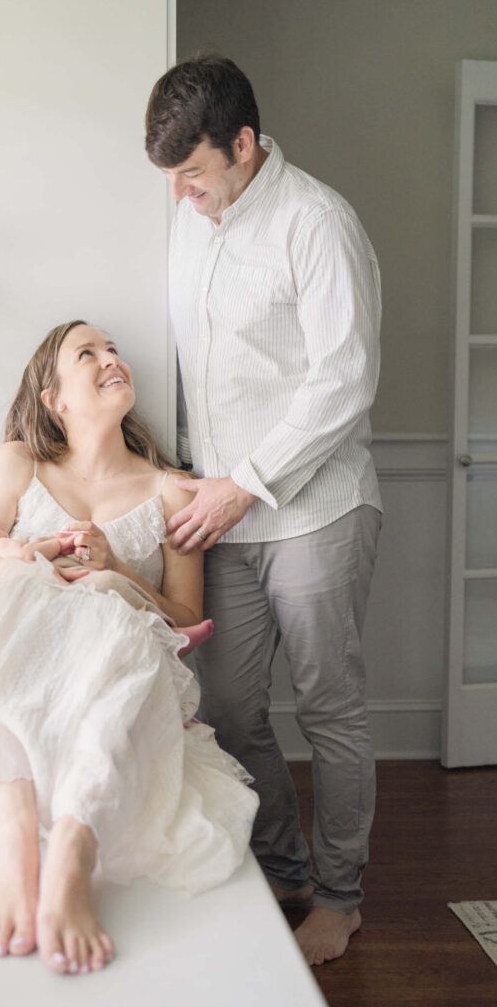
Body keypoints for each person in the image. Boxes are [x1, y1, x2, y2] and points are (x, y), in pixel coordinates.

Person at [0, 320, 258, 977]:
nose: (110, 358)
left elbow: (185, 620)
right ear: (52, 396)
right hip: (20, 657)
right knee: (3, 625)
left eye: (113, 349)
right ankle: (13, 838)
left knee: (112, 631)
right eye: (86, 353)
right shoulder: (16, 465)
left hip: (114, 661)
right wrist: (34, 565)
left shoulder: (170, 491)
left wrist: (113, 567)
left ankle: (72, 846)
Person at [145, 55, 383, 967]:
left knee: (330, 707)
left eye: (195, 175)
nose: (183, 197)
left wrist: (242, 481)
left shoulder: (315, 222)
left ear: (242, 145)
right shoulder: (191, 223)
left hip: (315, 507)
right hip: (222, 514)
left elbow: (345, 380)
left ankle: (339, 896)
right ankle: (282, 864)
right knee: (232, 707)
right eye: (172, 180)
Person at [0, 514, 215, 655]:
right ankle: (167, 632)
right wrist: (57, 544)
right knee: (111, 584)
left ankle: (165, 635)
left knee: (112, 595)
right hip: (61, 598)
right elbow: (26, 556)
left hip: (53, 611)